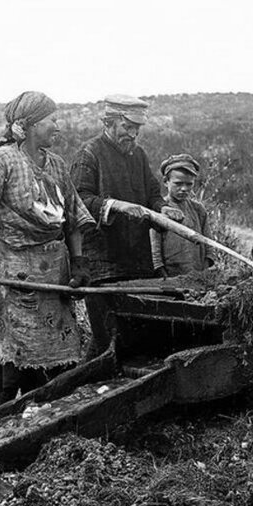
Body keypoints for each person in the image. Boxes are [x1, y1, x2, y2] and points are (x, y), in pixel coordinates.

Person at [0, 91, 95, 407]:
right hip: (15, 270)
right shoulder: (3, 161)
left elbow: (72, 219)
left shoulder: (57, 165)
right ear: (28, 125)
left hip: (53, 273)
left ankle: (52, 410)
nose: (58, 126)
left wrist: (80, 262)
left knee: (58, 352)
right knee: (13, 351)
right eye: (52, 120)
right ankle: (2, 414)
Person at [70, 94, 184, 353]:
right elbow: (78, 203)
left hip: (138, 264)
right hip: (103, 267)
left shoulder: (138, 156)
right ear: (108, 123)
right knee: (107, 341)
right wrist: (116, 206)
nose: (132, 135)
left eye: (137, 129)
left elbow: (153, 194)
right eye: (127, 127)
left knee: (137, 341)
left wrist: (163, 208)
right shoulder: (89, 154)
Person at [150, 153, 216, 277]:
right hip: (170, 277)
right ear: (166, 182)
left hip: (197, 275)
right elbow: (155, 253)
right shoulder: (160, 211)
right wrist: (164, 276)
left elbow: (209, 245)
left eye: (189, 184)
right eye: (178, 183)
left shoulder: (198, 210)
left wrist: (204, 273)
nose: (184, 189)